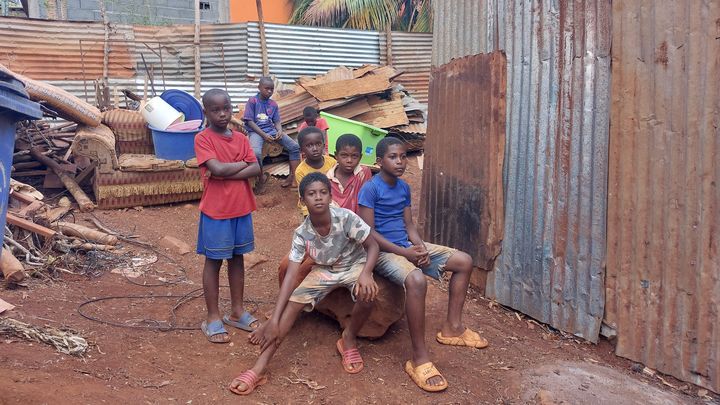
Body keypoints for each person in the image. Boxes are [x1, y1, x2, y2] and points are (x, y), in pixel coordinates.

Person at [229, 173, 380, 396]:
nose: (318, 198)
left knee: (368, 294)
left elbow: (373, 245)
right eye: (311, 194)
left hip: (353, 265)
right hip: (324, 270)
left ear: (330, 197)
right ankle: (259, 368)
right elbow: (291, 275)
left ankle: (348, 338)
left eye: (323, 192)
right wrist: (274, 320)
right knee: (292, 305)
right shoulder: (302, 234)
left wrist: (366, 273)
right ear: (302, 201)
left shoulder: (346, 217)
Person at [357, 137, 488, 393]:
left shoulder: (404, 187)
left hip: (407, 245)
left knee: (464, 261)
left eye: (403, 156)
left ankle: (453, 328)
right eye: (393, 157)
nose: (400, 161)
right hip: (384, 252)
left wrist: (421, 248)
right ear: (379, 161)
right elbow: (369, 234)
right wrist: (405, 252)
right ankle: (419, 359)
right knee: (416, 280)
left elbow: (409, 226)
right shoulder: (370, 189)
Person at [194, 89, 262, 343]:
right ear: (206, 112)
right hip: (216, 211)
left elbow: (256, 168)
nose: (222, 114)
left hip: (241, 208)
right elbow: (216, 168)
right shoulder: (203, 139)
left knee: (237, 258)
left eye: (226, 108)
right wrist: (239, 166)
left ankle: (236, 311)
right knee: (214, 261)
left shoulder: (242, 138)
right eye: (215, 110)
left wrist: (224, 172)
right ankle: (213, 316)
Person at [242, 77, 300, 192]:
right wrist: (263, 135)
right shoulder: (253, 101)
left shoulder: (273, 104)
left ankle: (293, 177)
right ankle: (261, 177)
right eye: (266, 88)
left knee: (294, 147)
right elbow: (249, 121)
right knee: (256, 153)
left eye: (271, 89)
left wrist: (279, 131)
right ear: (259, 88)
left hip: (271, 130)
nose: (269, 91)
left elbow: (277, 121)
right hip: (256, 132)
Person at [294, 126, 336, 217]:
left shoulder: (332, 163)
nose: (315, 148)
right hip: (310, 208)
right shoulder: (300, 171)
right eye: (309, 145)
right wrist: (307, 216)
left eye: (318, 144)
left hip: (330, 204)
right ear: (301, 150)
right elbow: (303, 194)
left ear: (323, 145)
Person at [326, 133, 372, 213]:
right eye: (344, 156)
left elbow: (366, 201)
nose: (349, 160)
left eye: (354, 156)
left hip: (359, 222)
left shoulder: (363, 173)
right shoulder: (327, 179)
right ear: (336, 155)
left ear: (360, 157)